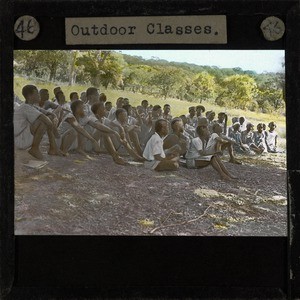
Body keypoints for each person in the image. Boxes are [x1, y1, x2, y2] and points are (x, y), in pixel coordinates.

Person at [14, 85, 62, 160]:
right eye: (37, 94)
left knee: (48, 118)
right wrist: (53, 124)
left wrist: (54, 117)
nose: (39, 95)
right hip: (20, 140)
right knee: (44, 121)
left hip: (24, 136)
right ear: (30, 96)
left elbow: (49, 113)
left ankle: (53, 148)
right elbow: (47, 121)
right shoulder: (25, 107)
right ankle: (35, 148)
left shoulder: (32, 106)